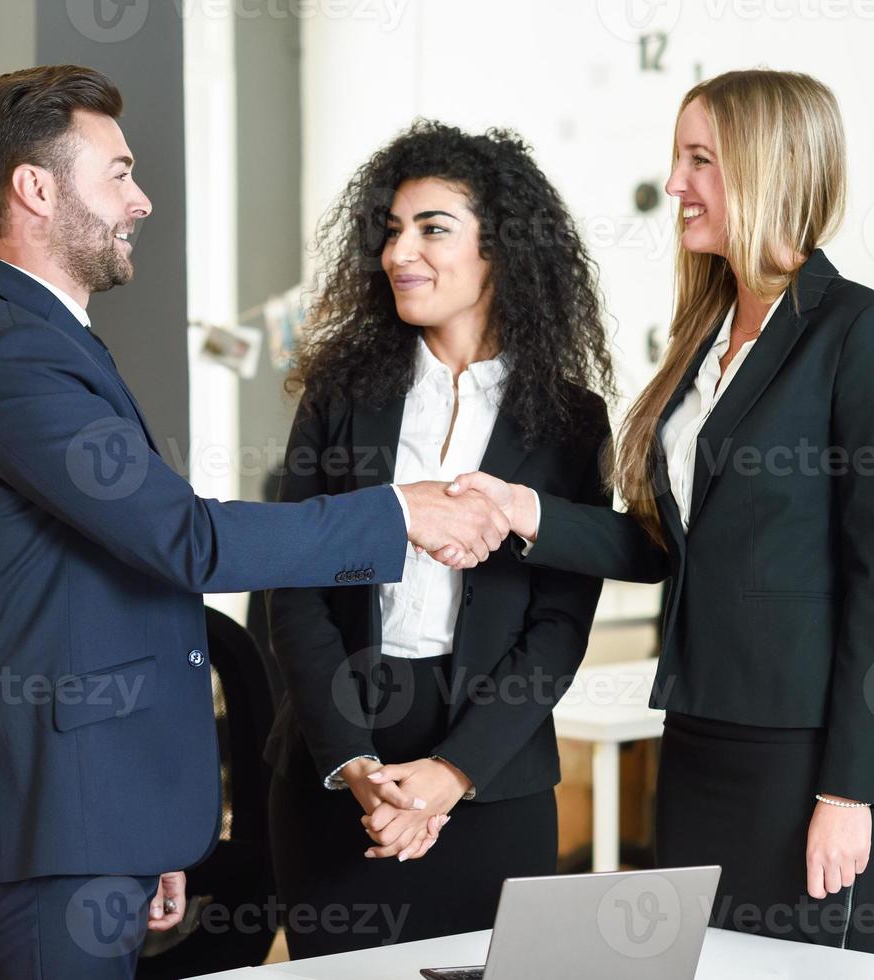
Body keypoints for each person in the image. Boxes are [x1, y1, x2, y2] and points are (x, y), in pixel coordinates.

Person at [0, 65, 509, 980]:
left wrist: (145, 830)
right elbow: (187, 541)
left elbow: (106, 587)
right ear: (35, 188)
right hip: (46, 832)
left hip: (86, 820)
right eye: (117, 173)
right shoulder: (16, 360)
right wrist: (399, 514)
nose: (140, 199)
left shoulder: (44, 339)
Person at [452, 69, 874, 952]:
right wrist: (525, 509)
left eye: (699, 160)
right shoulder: (706, 339)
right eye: (678, 160)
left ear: (768, 165)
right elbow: (666, 546)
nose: (675, 185)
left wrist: (849, 790)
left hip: (804, 749)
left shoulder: (862, 333)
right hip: (697, 728)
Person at [263, 120, 616, 958]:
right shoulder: (338, 394)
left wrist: (451, 774)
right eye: (390, 230)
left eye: (432, 229)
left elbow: (559, 627)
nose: (399, 253)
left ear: (502, 251)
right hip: (339, 756)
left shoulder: (571, 421)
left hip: (491, 773)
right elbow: (293, 585)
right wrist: (354, 764)